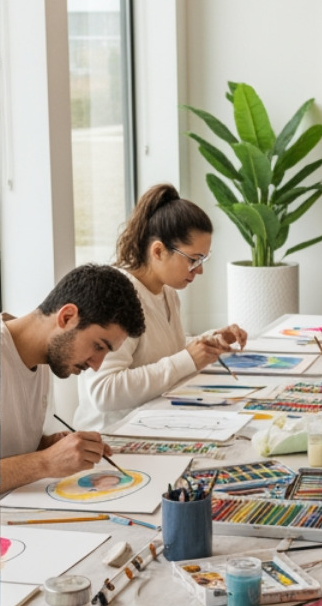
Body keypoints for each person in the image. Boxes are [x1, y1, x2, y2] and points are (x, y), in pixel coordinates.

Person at [75, 184, 248, 430]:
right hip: (113, 437)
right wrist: (188, 359)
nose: (199, 270)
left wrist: (210, 340)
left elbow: (161, 352)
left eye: (203, 259)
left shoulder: (166, 291)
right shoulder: (117, 296)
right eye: (193, 260)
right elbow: (104, 392)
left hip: (154, 423)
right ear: (158, 250)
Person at [0, 264, 147, 492]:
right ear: (67, 317)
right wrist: (45, 462)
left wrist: (49, 445)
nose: (96, 365)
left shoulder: (44, 359)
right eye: (98, 346)